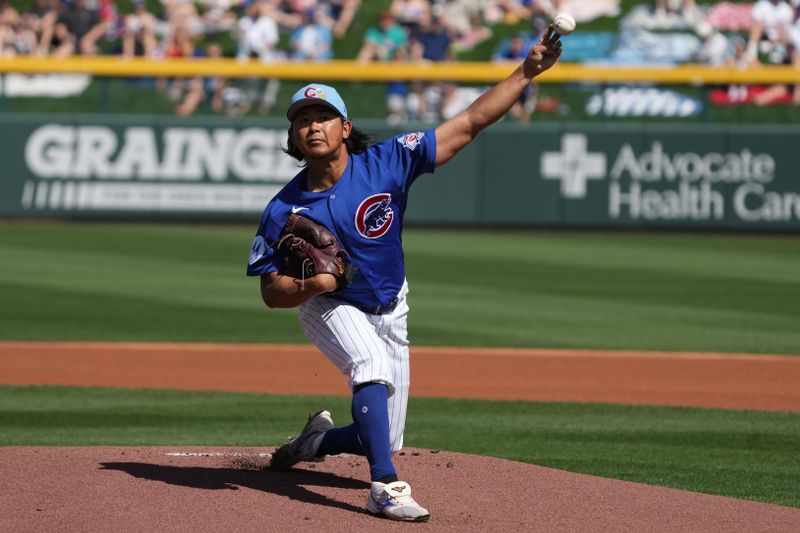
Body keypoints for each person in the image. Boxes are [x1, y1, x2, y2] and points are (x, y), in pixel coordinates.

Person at [245, 26, 562, 522]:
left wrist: (526, 72)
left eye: (323, 116)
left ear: (344, 127)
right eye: (301, 119)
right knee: (368, 367)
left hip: (392, 303)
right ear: (291, 138)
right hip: (329, 305)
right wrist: (313, 285)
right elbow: (271, 292)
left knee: (385, 435)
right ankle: (385, 487)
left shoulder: (388, 161)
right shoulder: (281, 209)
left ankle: (314, 442)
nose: (312, 126)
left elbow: (470, 123)